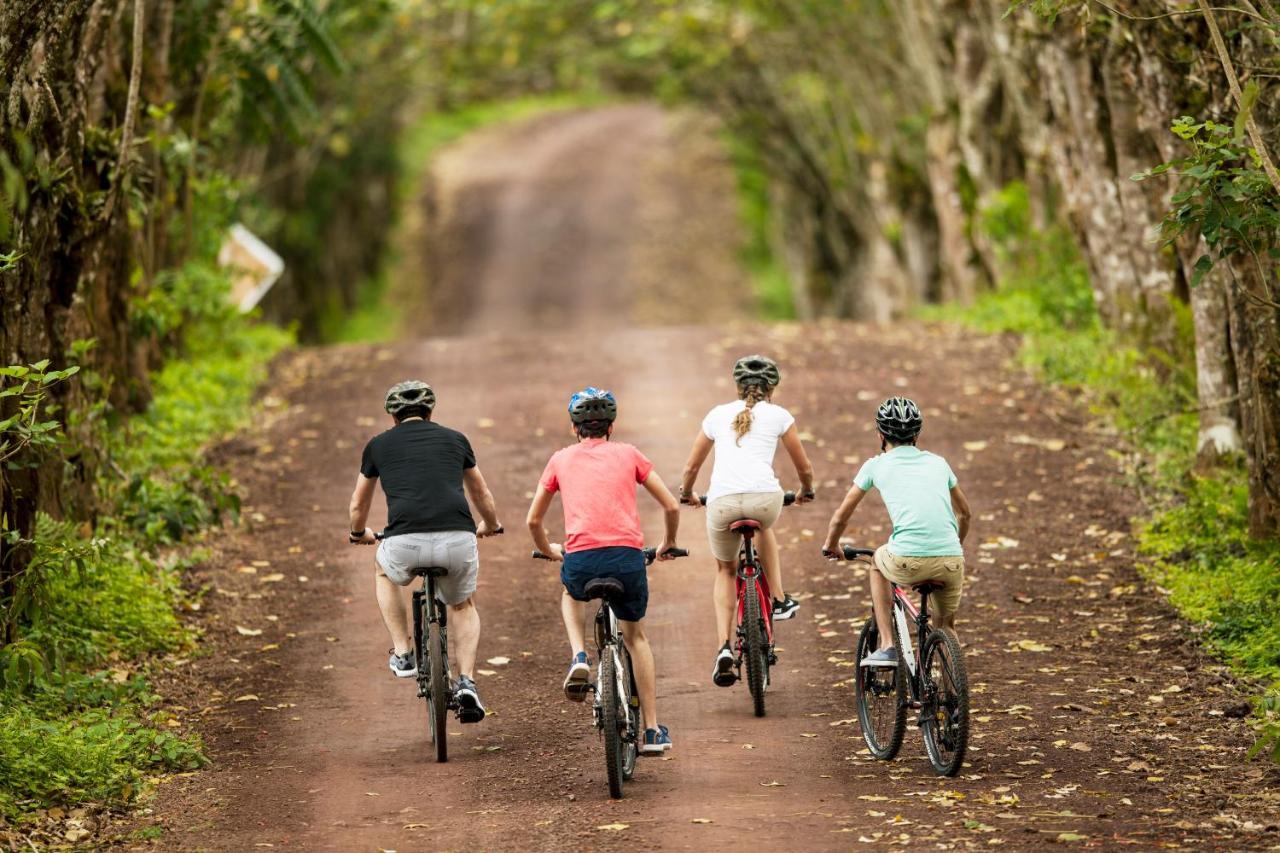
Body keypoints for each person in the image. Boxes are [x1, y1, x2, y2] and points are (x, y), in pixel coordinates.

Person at [526, 387, 682, 755]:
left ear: (573, 428)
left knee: (570, 592)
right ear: (611, 427)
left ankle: (579, 655)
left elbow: (533, 519)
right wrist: (667, 543)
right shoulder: (629, 454)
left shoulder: (560, 460)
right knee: (636, 638)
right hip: (626, 559)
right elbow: (672, 507)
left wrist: (550, 550)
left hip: (581, 559)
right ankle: (652, 730)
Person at [348, 380, 503, 722]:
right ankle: (466, 682)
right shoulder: (455, 439)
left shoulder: (377, 446)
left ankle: (404, 653)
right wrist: (490, 524)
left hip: (404, 541)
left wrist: (359, 533)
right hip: (456, 539)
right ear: (430, 412)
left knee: (383, 571)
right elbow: (481, 493)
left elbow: (359, 502)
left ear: (393, 416)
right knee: (462, 604)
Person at [678, 354, 815, 688]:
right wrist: (805, 491)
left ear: (737, 385)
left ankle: (724, 646)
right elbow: (804, 468)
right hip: (765, 499)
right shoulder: (780, 416)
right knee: (764, 527)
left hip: (722, 502)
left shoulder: (716, 415)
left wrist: (688, 494)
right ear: (773, 387)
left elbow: (691, 469)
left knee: (725, 570)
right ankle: (780, 599)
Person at [821, 397, 972, 667]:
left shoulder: (875, 465)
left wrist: (832, 545)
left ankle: (888, 645)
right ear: (917, 434)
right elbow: (965, 513)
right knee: (947, 627)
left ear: (880, 434)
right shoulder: (939, 463)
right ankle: (954, 699)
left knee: (877, 562)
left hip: (907, 558)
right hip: (951, 558)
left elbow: (841, 516)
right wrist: (952, 545)